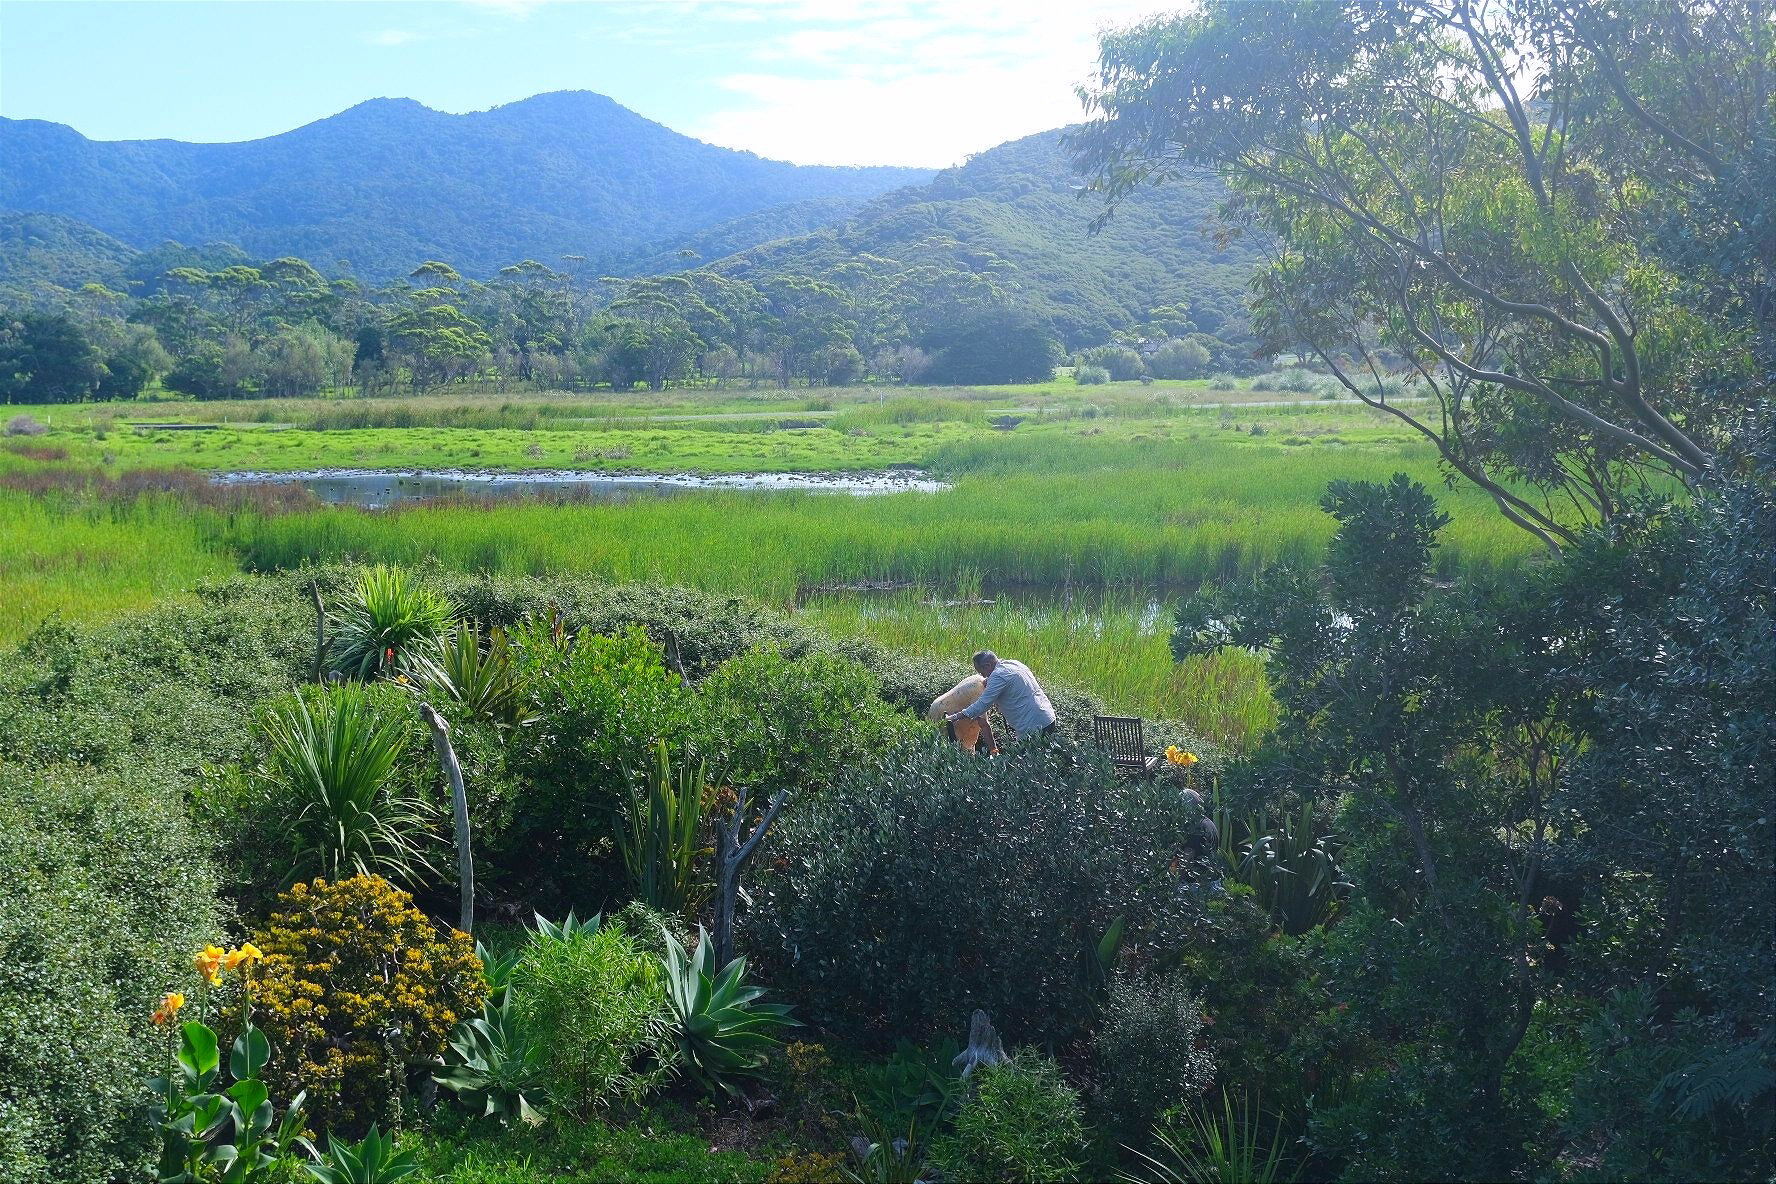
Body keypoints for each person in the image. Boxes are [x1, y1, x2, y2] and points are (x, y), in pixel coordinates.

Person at [946, 650, 1057, 742]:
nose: (982, 675)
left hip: (1033, 725)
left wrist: (956, 716)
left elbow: (982, 704)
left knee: (1023, 763)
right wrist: (989, 680)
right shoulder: (1014, 664)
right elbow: (1009, 679)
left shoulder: (998, 676)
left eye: (981, 672)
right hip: (1047, 717)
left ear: (987, 665)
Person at [927, 673, 997, 754]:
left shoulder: (978, 679)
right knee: (950, 751)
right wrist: (994, 750)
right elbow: (983, 724)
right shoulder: (978, 693)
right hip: (945, 713)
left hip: (939, 706)